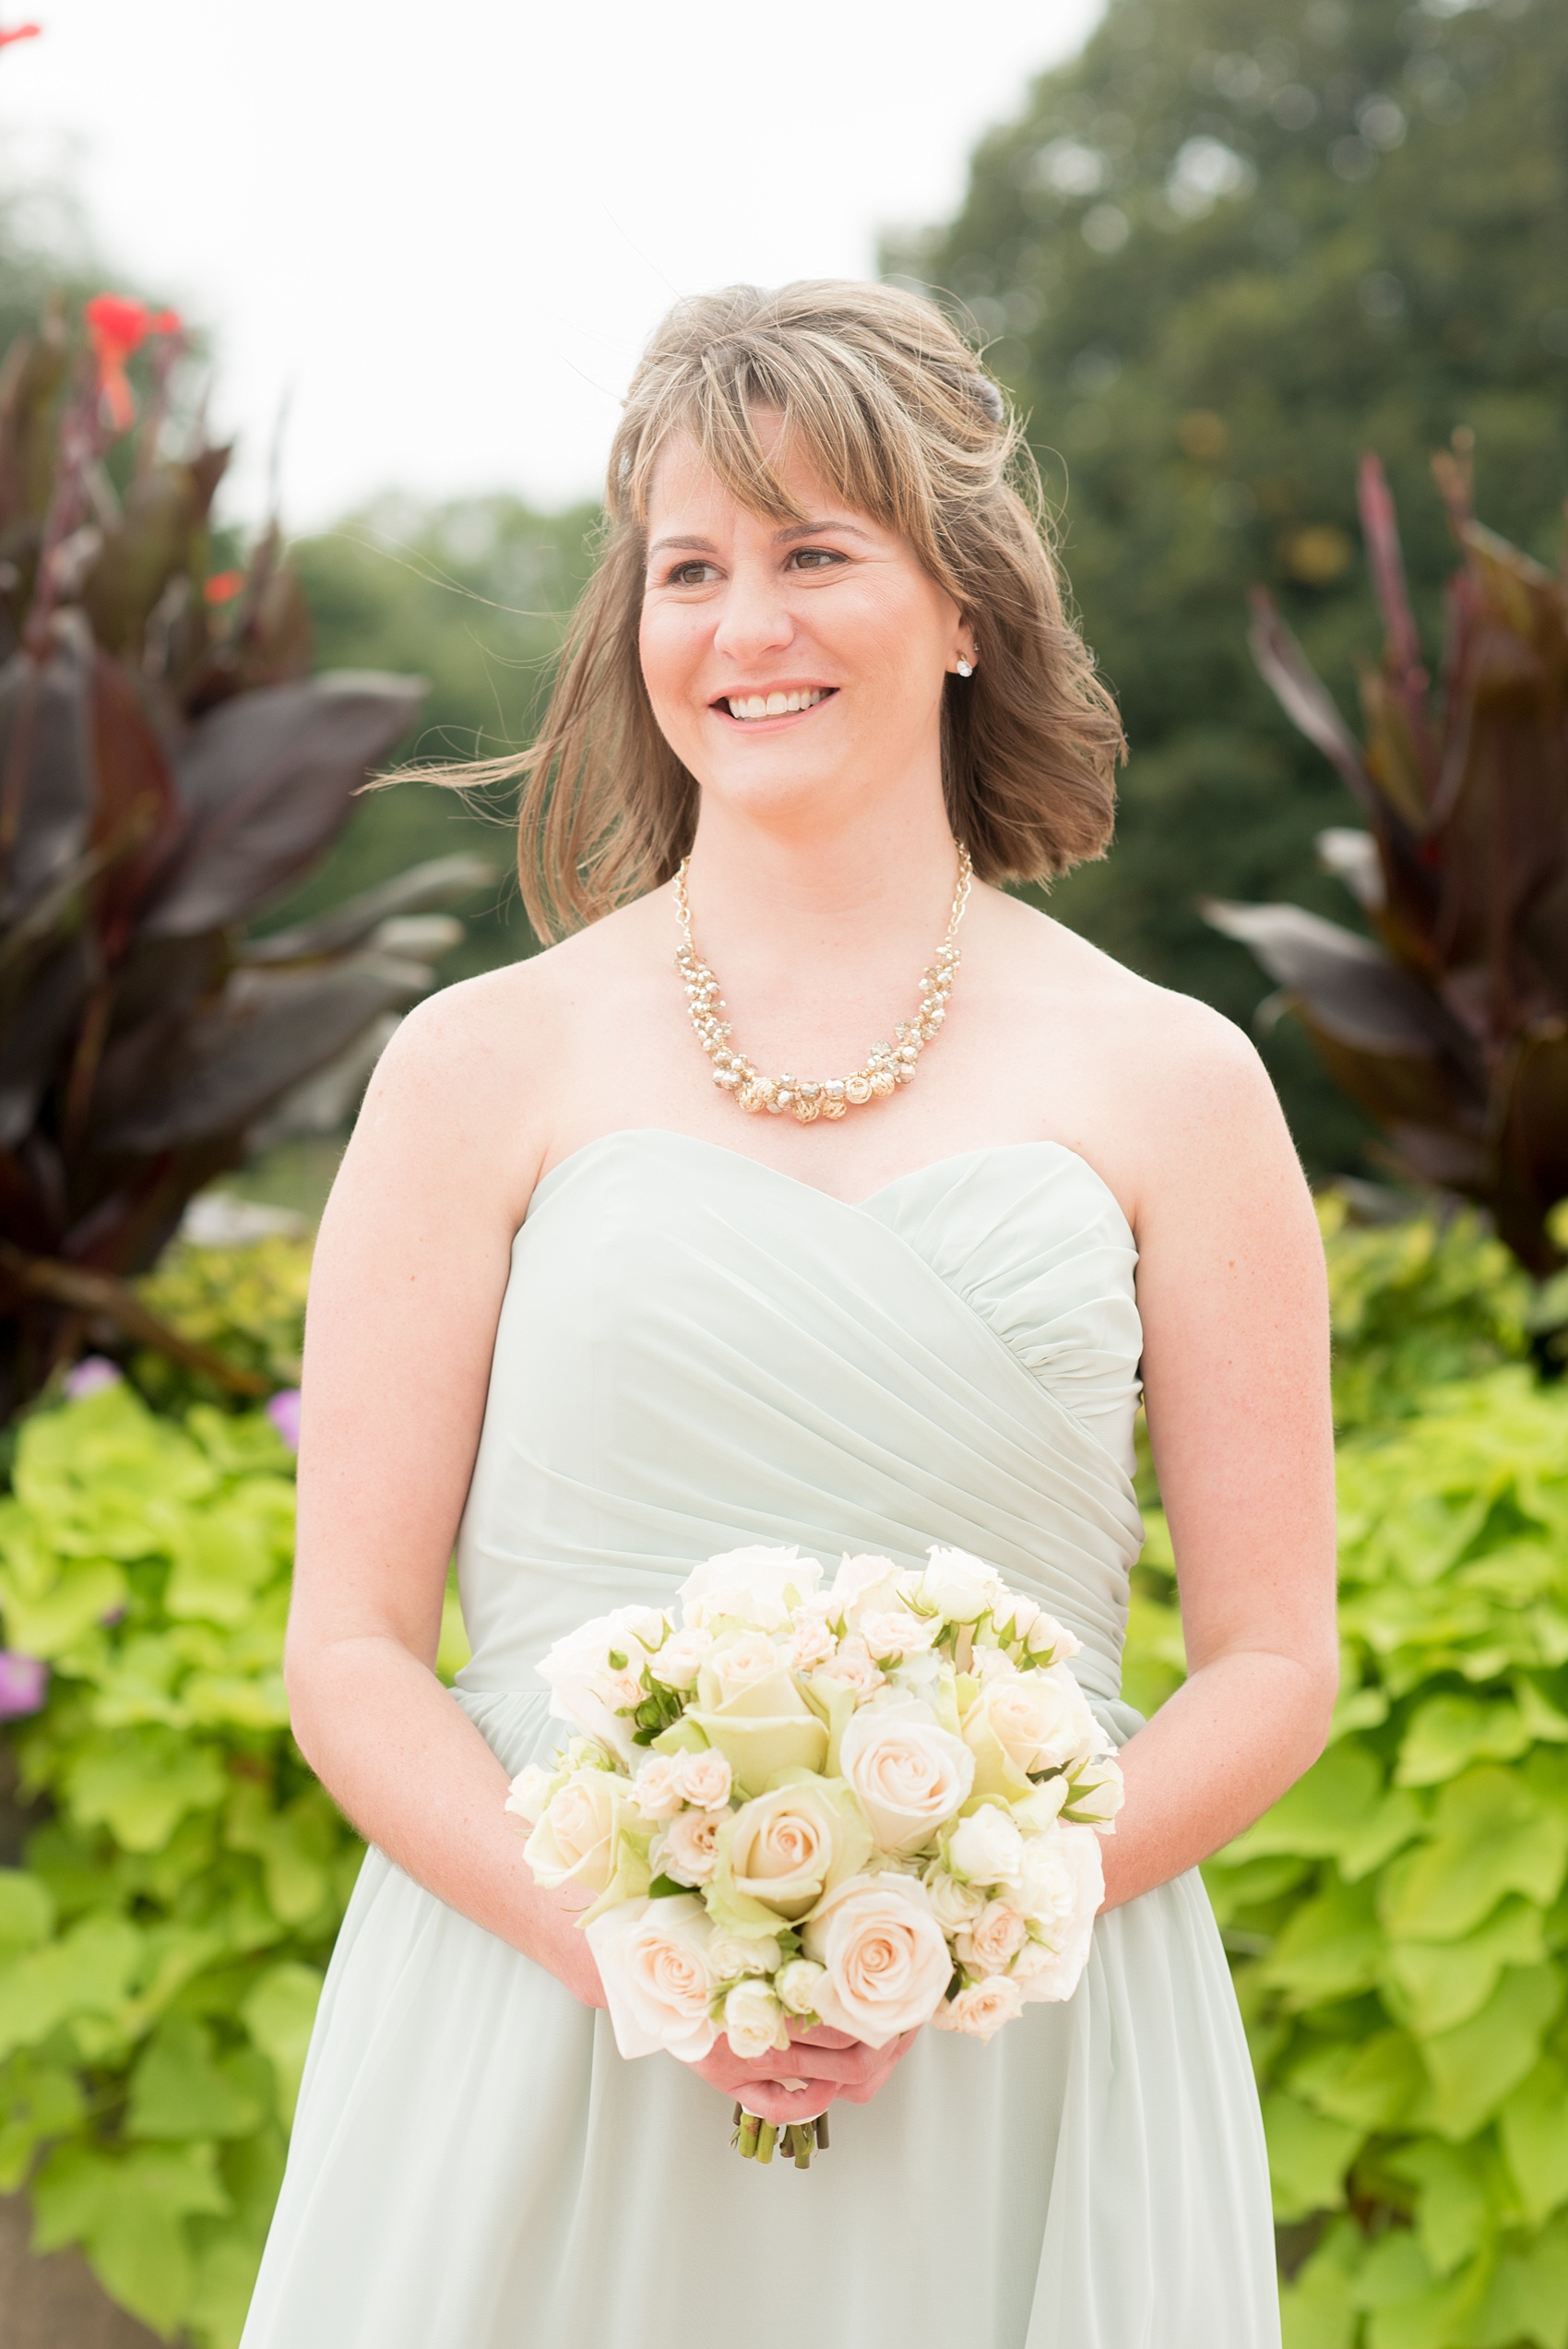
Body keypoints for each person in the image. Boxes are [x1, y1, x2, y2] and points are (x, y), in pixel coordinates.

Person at [241, 280, 1337, 2349]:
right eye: (690, 568)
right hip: (539, 2027)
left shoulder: (1175, 1081)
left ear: (961, 607)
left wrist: (971, 1914)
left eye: (817, 552)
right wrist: (629, 1944)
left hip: (1020, 2050)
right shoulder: (474, 1066)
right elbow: (353, 1651)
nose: (746, 626)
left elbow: (1272, 1656)